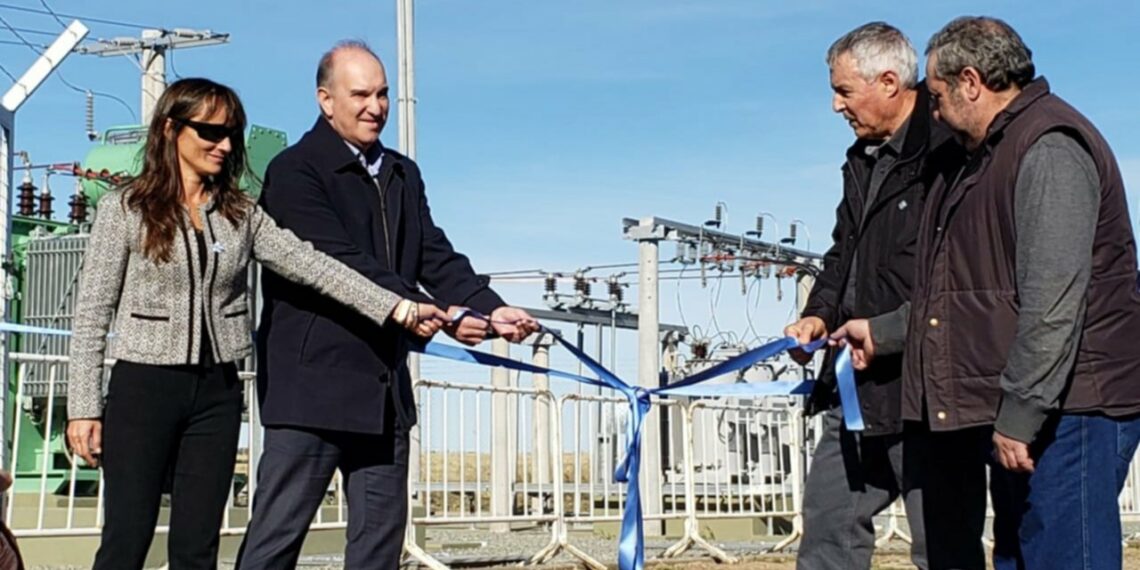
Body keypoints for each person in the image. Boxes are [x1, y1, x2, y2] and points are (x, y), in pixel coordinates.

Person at [65, 78, 446, 570]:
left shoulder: (241, 213)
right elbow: (92, 311)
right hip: (144, 387)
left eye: (232, 135)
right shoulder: (125, 209)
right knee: (127, 538)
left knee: (198, 546)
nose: (224, 146)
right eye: (210, 132)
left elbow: (313, 265)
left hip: (217, 394)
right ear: (169, 129)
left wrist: (397, 307)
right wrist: (83, 408)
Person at [834, 16, 1140, 569]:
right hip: (1037, 408)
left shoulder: (1048, 146)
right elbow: (967, 297)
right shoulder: (975, 160)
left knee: (1066, 559)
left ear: (971, 82)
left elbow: (1053, 300)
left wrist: (1020, 413)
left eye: (938, 93)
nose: (933, 108)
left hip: (1075, 409)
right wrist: (882, 331)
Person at [236, 40, 539, 569]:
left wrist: (486, 309)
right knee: (272, 548)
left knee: (378, 552)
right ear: (325, 100)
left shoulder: (402, 172)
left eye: (383, 94)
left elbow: (434, 254)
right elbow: (339, 261)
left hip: (383, 398)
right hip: (310, 396)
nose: (375, 106)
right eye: (360, 94)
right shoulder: (294, 172)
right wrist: (432, 314)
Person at [784, 22, 960, 570]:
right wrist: (816, 315)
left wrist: (888, 333)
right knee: (827, 532)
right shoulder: (861, 160)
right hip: (853, 387)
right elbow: (843, 255)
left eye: (843, 90)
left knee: (943, 548)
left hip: (931, 391)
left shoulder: (951, 152)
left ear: (888, 81)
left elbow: (961, 278)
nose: (836, 105)